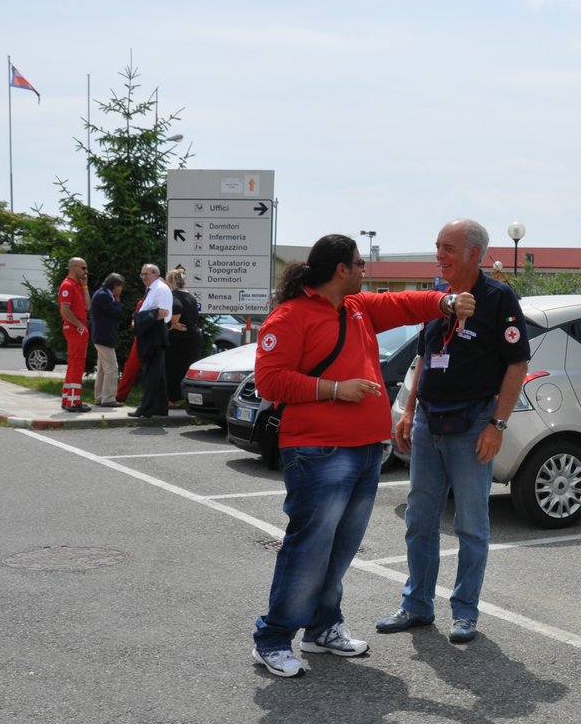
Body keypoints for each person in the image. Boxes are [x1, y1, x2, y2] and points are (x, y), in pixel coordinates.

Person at [250, 234, 471, 678]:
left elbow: (407, 305)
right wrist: (335, 389)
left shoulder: (356, 307)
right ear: (339, 270)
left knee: (339, 548)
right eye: (357, 263)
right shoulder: (290, 317)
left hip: (366, 450)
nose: (363, 270)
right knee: (309, 548)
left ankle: (322, 628)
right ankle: (273, 639)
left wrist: (446, 304)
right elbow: (270, 383)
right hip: (318, 451)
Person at [376, 219, 529, 646]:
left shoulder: (498, 299)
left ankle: (465, 613)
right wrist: (408, 411)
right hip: (428, 421)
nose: (439, 255)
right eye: (437, 246)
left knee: (471, 525)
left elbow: (517, 365)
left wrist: (497, 426)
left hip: (472, 424)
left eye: (448, 248)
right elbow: (425, 356)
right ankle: (417, 605)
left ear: (474, 255)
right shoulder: (438, 297)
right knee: (419, 519)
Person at [129, 264, 173, 418]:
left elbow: (163, 312)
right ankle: (160, 407)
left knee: (150, 374)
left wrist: (140, 321)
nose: (143, 277)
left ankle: (146, 408)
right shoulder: (153, 288)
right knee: (157, 374)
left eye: (145, 274)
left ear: (155, 274)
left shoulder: (160, 288)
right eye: (141, 274)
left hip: (154, 333)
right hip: (151, 332)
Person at [56, 257, 92, 413]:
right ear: (74, 268)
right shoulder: (68, 285)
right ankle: (73, 402)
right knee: (77, 364)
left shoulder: (77, 285)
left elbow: (88, 306)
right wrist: (78, 326)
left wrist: (85, 287)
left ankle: (68, 399)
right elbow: (65, 309)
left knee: (74, 364)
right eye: (83, 268)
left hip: (78, 327)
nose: (86, 272)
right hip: (75, 328)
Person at [164, 267, 202, 408]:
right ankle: (189, 399)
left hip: (179, 339)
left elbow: (177, 307)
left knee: (173, 369)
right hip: (193, 337)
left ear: (170, 282)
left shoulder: (174, 295)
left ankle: (172, 400)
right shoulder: (190, 295)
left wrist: (173, 323)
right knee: (189, 370)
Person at [91, 274, 125, 408]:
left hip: (100, 336)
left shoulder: (102, 293)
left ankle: (99, 397)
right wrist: (117, 300)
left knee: (102, 369)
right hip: (104, 337)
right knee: (112, 368)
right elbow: (116, 312)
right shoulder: (104, 296)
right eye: (120, 286)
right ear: (115, 286)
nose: (121, 289)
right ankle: (108, 398)